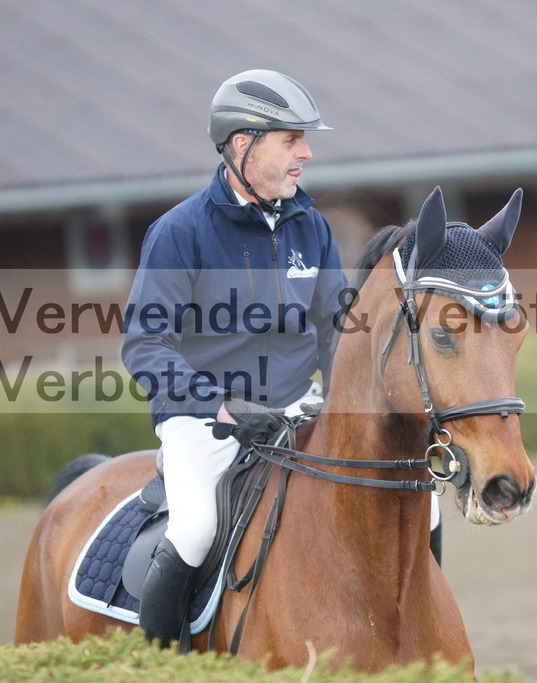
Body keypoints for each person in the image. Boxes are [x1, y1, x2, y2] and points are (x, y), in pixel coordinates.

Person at [122, 69, 347, 646]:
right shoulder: (178, 233)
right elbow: (145, 344)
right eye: (291, 140)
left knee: (417, 505)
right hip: (206, 420)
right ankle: (164, 659)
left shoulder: (311, 227)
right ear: (243, 145)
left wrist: (351, 397)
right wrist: (219, 406)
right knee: (196, 530)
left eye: (304, 139)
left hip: (296, 407)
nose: (307, 152)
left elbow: (337, 329)